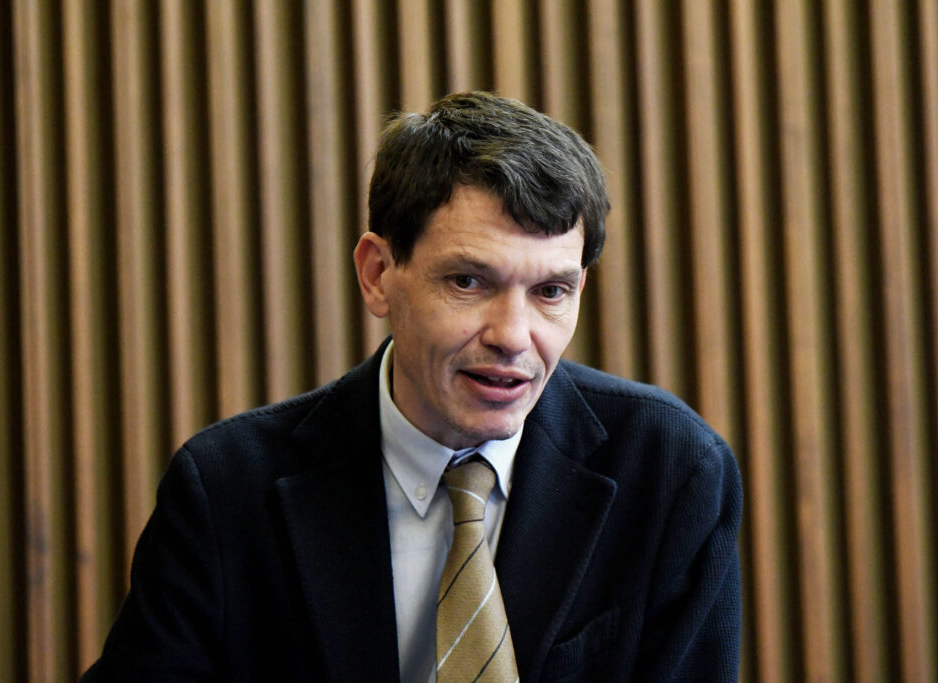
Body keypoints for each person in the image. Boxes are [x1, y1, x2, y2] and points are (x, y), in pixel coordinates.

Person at [83, 91, 741, 682]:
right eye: (468, 281)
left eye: (550, 291)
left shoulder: (671, 470)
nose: (513, 336)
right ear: (377, 274)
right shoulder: (227, 489)